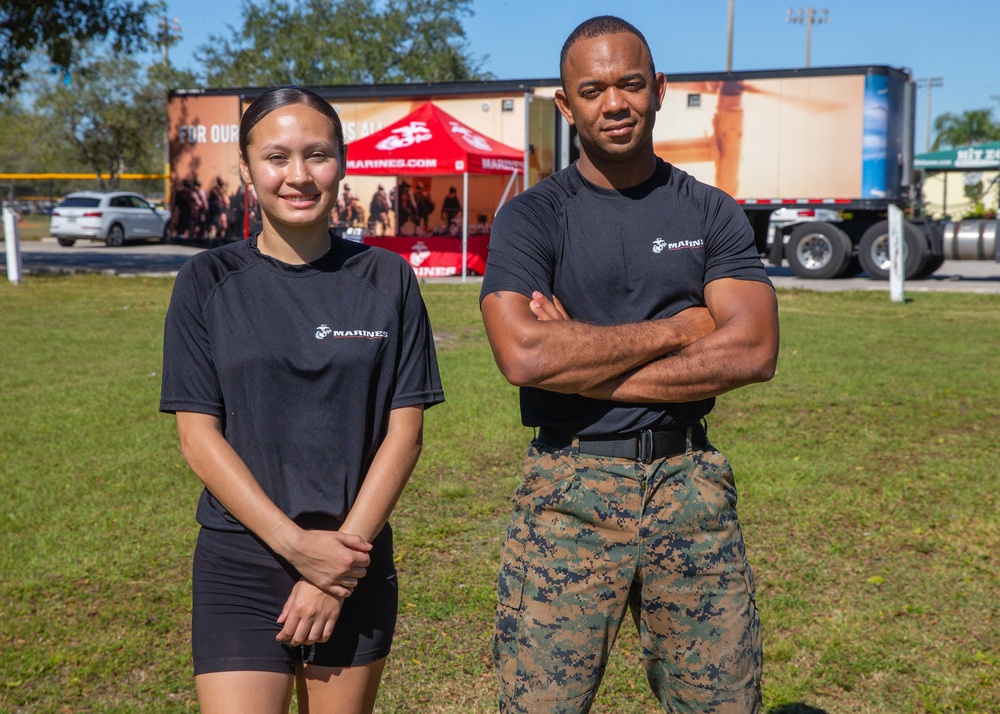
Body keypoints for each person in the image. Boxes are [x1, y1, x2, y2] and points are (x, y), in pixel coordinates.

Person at [479, 16, 779, 714]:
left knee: (722, 704)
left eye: (631, 84)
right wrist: (680, 328)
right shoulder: (533, 217)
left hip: (690, 487)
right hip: (567, 491)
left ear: (659, 89)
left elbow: (754, 350)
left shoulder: (710, 212)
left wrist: (580, 358)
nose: (614, 103)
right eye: (593, 90)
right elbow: (523, 353)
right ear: (567, 104)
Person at [160, 86, 444, 714]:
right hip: (242, 559)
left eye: (316, 155)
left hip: (354, 556)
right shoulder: (205, 282)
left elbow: (406, 434)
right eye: (277, 157)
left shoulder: (385, 278)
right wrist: (294, 547)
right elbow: (197, 437)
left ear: (341, 164)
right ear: (246, 169)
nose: (298, 176)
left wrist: (335, 566)